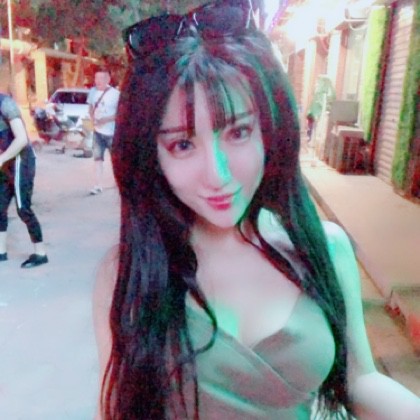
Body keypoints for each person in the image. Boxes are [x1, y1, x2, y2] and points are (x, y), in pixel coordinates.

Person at [93, 1, 420, 418]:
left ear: (270, 129)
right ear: (149, 154)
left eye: (238, 131)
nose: (218, 175)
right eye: (182, 144)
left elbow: (360, 381)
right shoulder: (128, 271)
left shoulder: (323, 247)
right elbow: (116, 408)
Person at [0, 93, 48, 268]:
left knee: (23, 208)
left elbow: (21, 139)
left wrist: (2, 158)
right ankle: (1, 251)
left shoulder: (5, 104)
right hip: (5, 161)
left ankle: (40, 253)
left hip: (22, 159)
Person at [87, 69, 120, 195]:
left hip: (112, 133)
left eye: (101, 78)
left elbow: (120, 114)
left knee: (115, 160)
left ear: (108, 80)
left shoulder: (115, 94)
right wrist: (93, 119)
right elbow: (90, 107)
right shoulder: (92, 92)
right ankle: (97, 185)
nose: (98, 81)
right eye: (96, 78)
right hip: (97, 132)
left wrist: (106, 119)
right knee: (97, 159)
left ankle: (119, 183)